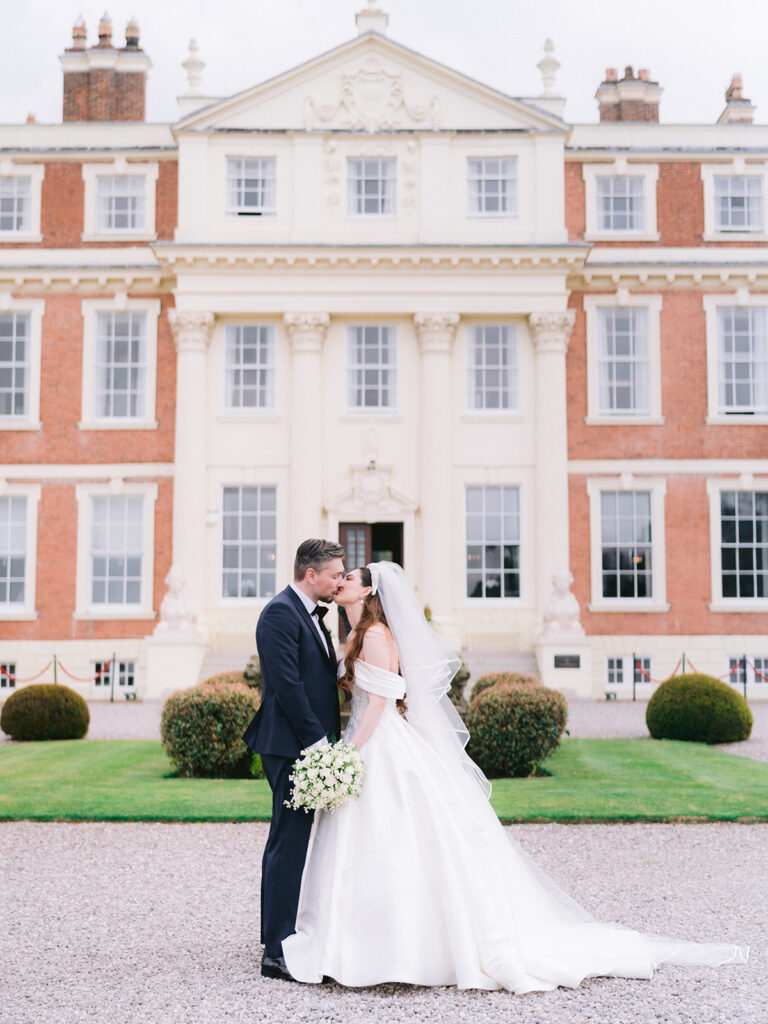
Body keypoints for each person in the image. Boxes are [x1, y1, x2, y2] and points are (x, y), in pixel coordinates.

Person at [281, 561, 749, 993]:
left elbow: (380, 703)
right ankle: (355, 940)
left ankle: (391, 948)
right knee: (371, 842)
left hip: (376, 742)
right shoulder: (357, 630)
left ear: (368, 591)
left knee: (391, 839)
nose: (339, 583)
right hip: (373, 741)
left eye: (348, 579)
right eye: (336, 578)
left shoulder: (377, 636)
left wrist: (347, 754)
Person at [242, 538, 345, 981]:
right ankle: (276, 949)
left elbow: (317, 678)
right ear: (311, 575)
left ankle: (287, 932)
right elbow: (287, 687)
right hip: (290, 747)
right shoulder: (280, 613)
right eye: (335, 574)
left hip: (306, 745)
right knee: (287, 844)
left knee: (296, 841)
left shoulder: (313, 613)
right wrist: (317, 744)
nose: (339, 581)